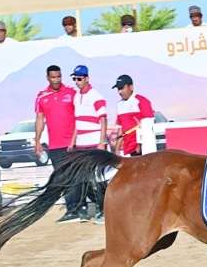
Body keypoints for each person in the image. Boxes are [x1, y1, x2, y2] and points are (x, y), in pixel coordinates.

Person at [63, 65, 108, 223]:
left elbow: (103, 120)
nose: (77, 81)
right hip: (81, 145)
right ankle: (97, 207)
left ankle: (104, 210)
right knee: (83, 179)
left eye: (80, 78)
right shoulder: (76, 97)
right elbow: (78, 121)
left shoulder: (95, 96)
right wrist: (72, 141)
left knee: (98, 180)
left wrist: (102, 142)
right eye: (74, 78)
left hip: (94, 144)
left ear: (87, 78)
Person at [34, 65, 76, 175]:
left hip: (72, 145)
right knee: (60, 180)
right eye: (53, 77)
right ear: (47, 78)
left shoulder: (71, 93)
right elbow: (39, 119)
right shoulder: (41, 96)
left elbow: (79, 116)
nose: (56, 80)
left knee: (74, 178)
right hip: (54, 147)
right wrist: (37, 142)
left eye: (59, 77)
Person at [111, 74, 155, 157]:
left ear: (131, 87)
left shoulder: (142, 101)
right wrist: (117, 150)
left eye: (122, 88)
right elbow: (121, 129)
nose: (120, 92)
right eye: (118, 89)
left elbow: (149, 126)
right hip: (127, 150)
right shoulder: (119, 105)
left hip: (141, 149)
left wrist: (140, 145)